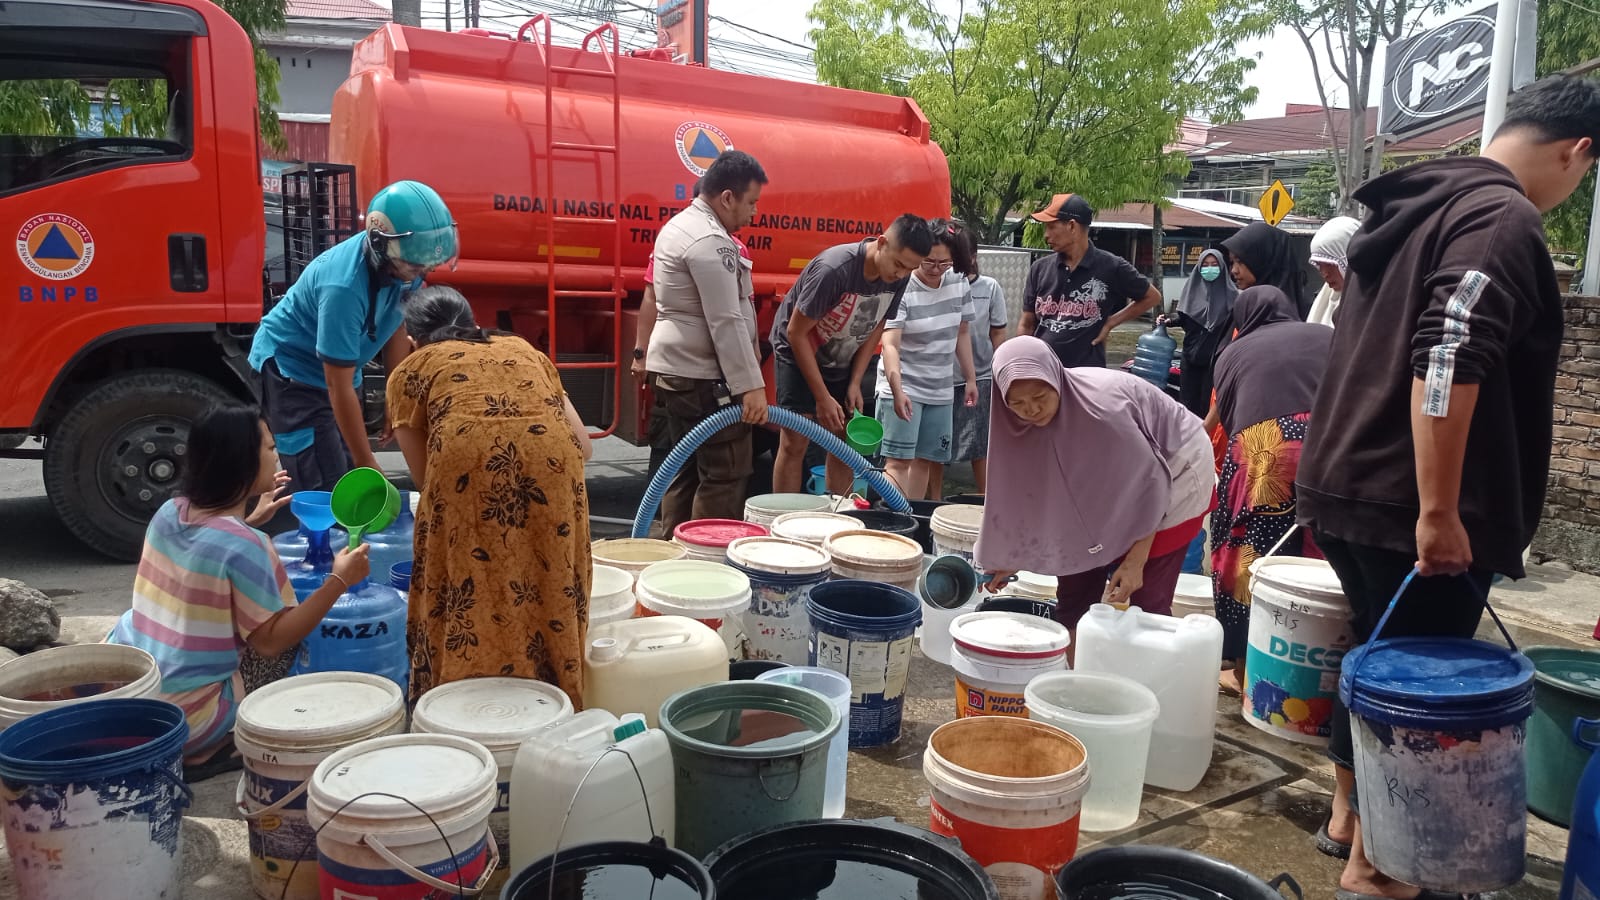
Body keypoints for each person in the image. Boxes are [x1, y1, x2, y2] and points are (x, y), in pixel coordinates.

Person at [1295, 74, 1598, 900]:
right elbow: (1446, 359)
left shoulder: (1411, 208)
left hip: (1347, 481)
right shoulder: (1500, 217)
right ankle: (1378, 871)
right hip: (1412, 506)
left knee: (1377, 659)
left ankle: (1346, 821)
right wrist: (1438, 511)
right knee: (1419, 694)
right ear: (1577, 152)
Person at [107, 404, 370, 781]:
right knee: (289, 635)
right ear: (242, 462)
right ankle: (210, 747)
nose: (276, 456)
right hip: (184, 720)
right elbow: (271, 642)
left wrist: (248, 520)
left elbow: (206, 554)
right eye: (269, 448)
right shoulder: (249, 545)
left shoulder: (169, 511)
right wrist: (339, 581)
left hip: (131, 693)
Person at [387, 287, 593, 706]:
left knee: (470, 585)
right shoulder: (526, 351)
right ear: (473, 323)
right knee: (546, 578)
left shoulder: (410, 370)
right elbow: (585, 447)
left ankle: (458, 704)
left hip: (463, 476)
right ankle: (553, 700)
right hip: (555, 471)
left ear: (412, 340)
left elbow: (428, 479)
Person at [975, 337, 1215, 633]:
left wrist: (1135, 561)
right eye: (1017, 404)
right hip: (1106, 480)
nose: (1031, 410)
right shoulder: (1017, 427)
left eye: (1039, 397)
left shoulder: (1102, 412)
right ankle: (1072, 661)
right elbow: (1031, 497)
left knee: (1145, 598)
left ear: (1056, 380)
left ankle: (1148, 656)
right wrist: (1012, 557)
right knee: (1075, 586)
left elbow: (1148, 485)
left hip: (1175, 466)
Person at [249, 181, 457, 491]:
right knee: (325, 482)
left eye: (425, 267)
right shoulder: (343, 288)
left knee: (348, 468)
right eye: (415, 266)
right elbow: (338, 385)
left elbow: (396, 325)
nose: (421, 273)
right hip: (293, 373)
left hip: (343, 370)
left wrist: (394, 398)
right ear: (381, 246)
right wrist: (367, 461)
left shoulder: (405, 262)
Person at [1209, 286, 1331, 695]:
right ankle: (1320, 676)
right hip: (1332, 442)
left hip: (1267, 447)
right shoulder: (1326, 334)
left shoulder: (1234, 351)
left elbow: (1232, 418)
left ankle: (1248, 673)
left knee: (1247, 555)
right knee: (1324, 552)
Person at [645, 150, 768, 532]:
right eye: (751, 203)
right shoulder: (710, 240)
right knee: (724, 472)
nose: (753, 214)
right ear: (727, 198)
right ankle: (705, 557)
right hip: (702, 376)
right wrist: (751, 387)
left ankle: (674, 551)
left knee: (684, 467)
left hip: (677, 371)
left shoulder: (680, 226)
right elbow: (726, 320)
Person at [770, 214, 934, 494]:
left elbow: (877, 326)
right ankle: (782, 515)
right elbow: (795, 333)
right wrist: (822, 397)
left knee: (843, 441)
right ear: (881, 243)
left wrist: (855, 381)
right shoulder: (835, 270)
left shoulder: (898, 276)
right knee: (795, 441)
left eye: (910, 268)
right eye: (898, 264)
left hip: (842, 355)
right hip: (799, 353)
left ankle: (840, 512)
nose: (901, 274)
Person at [875, 218, 979, 500]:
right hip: (904, 385)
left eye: (944, 263)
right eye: (929, 262)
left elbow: (962, 332)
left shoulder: (958, 280)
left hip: (940, 389)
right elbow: (890, 343)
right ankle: (894, 518)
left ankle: (913, 516)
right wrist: (897, 390)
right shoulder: (903, 285)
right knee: (898, 462)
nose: (936, 269)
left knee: (924, 460)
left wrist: (970, 378)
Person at [1019, 193, 1163, 369]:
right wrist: (1023, 363)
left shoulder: (1111, 266)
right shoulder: (1039, 268)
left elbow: (1152, 297)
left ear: (1072, 226)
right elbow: (1027, 324)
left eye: (1051, 227)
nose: (1046, 235)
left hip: (1088, 374)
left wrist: (1110, 322)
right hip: (1044, 371)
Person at [929, 225, 1008, 498]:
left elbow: (997, 332)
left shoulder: (990, 287)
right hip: (942, 376)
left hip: (979, 375)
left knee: (978, 442)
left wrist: (1000, 373)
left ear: (973, 256)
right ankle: (934, 499)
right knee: (936, 444)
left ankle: (986, 499)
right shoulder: (937, 282)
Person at [1174, 249, 1238, 417]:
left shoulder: (1233, 297)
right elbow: (1184, 318)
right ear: (1199, 267)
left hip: (1216, 362)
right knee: (1187, 404)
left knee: (1208, 405)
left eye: (1214, 264)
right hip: (1190, 358)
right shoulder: (1190, 292)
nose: (1210, 269)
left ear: (1222, 267)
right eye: (1205, 265)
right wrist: (1168, 321)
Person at [1220, 222, 1309, 320]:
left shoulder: (1280, 317)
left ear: (1264, 259)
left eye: (1240, 261)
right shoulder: (1245, 308)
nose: (1234, 270)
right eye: (1232, 262)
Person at [1306, 216, 1361, 327]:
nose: (1324, 274)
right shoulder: (1326, 300)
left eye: (1330, 264)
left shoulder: (1372, 303)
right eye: (1319, 265)